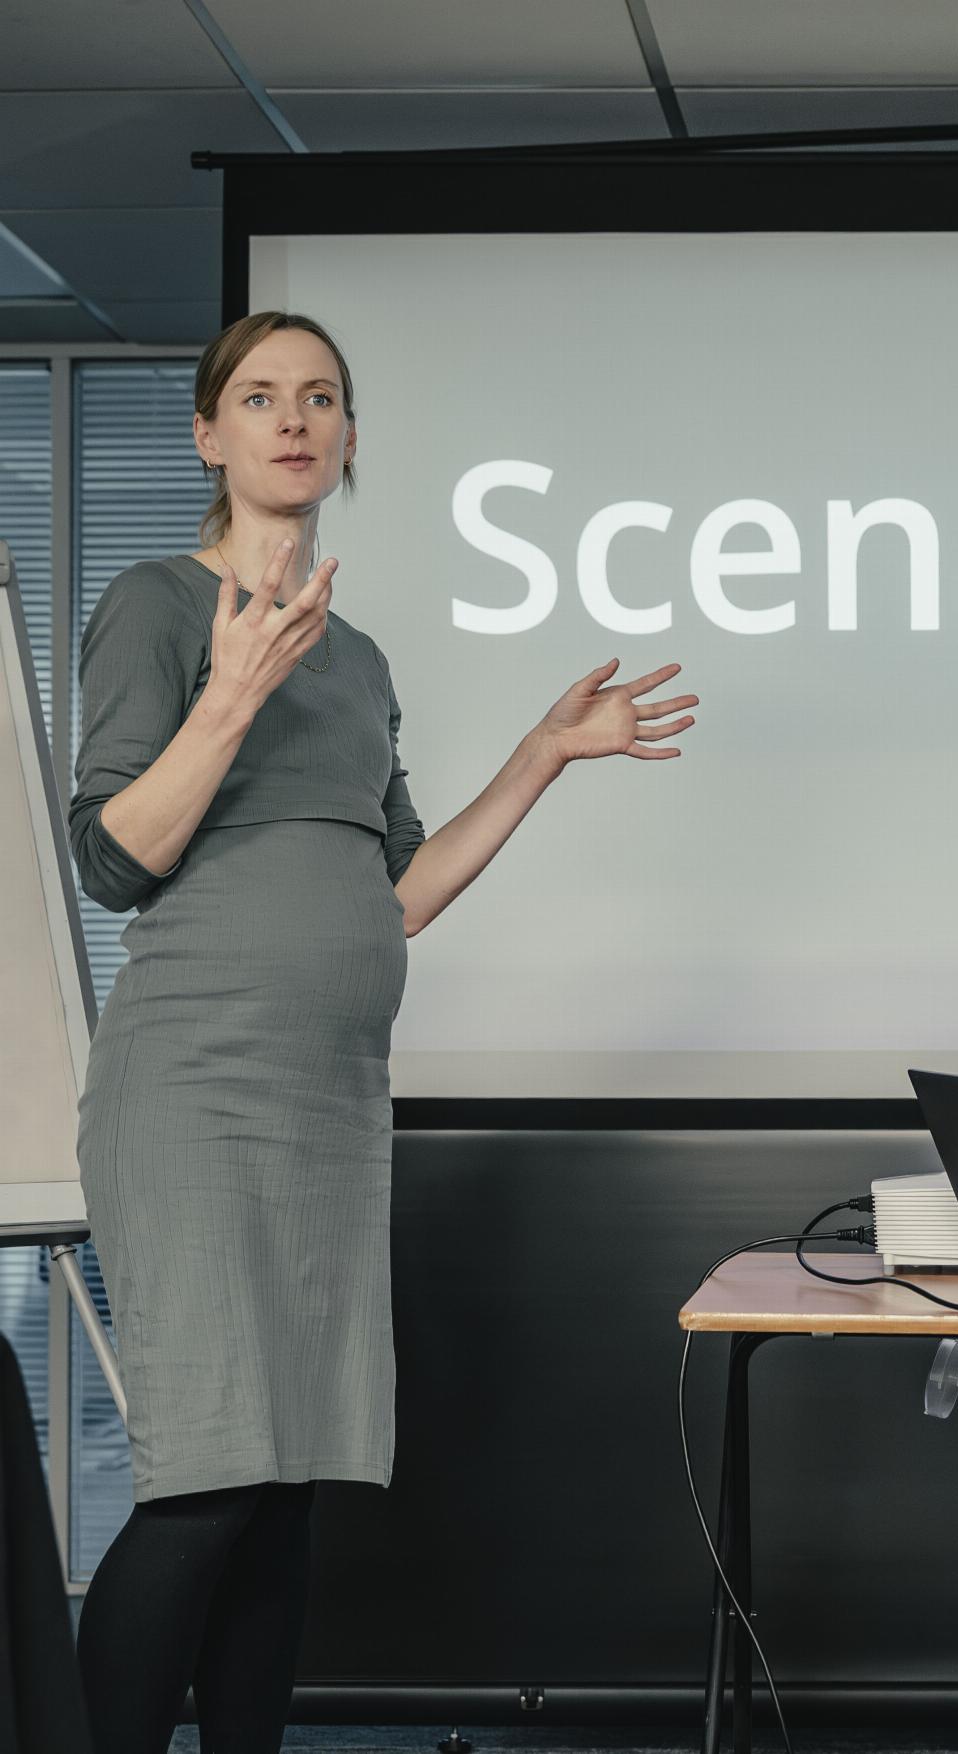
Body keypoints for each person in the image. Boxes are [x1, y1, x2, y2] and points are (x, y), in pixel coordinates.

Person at [67, 310, 699, 1754]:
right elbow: (112, 857)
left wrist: (541, 758)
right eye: (262, 396)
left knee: (286, 1484)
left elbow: (396, 893)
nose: (295, 419)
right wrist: (229, 696)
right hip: (195, 1093)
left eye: (324, 398)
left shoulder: (355, 656)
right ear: (207, 434)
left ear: (350, 437)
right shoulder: (157, 606)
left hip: (331, 1105)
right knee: (205, 1480)